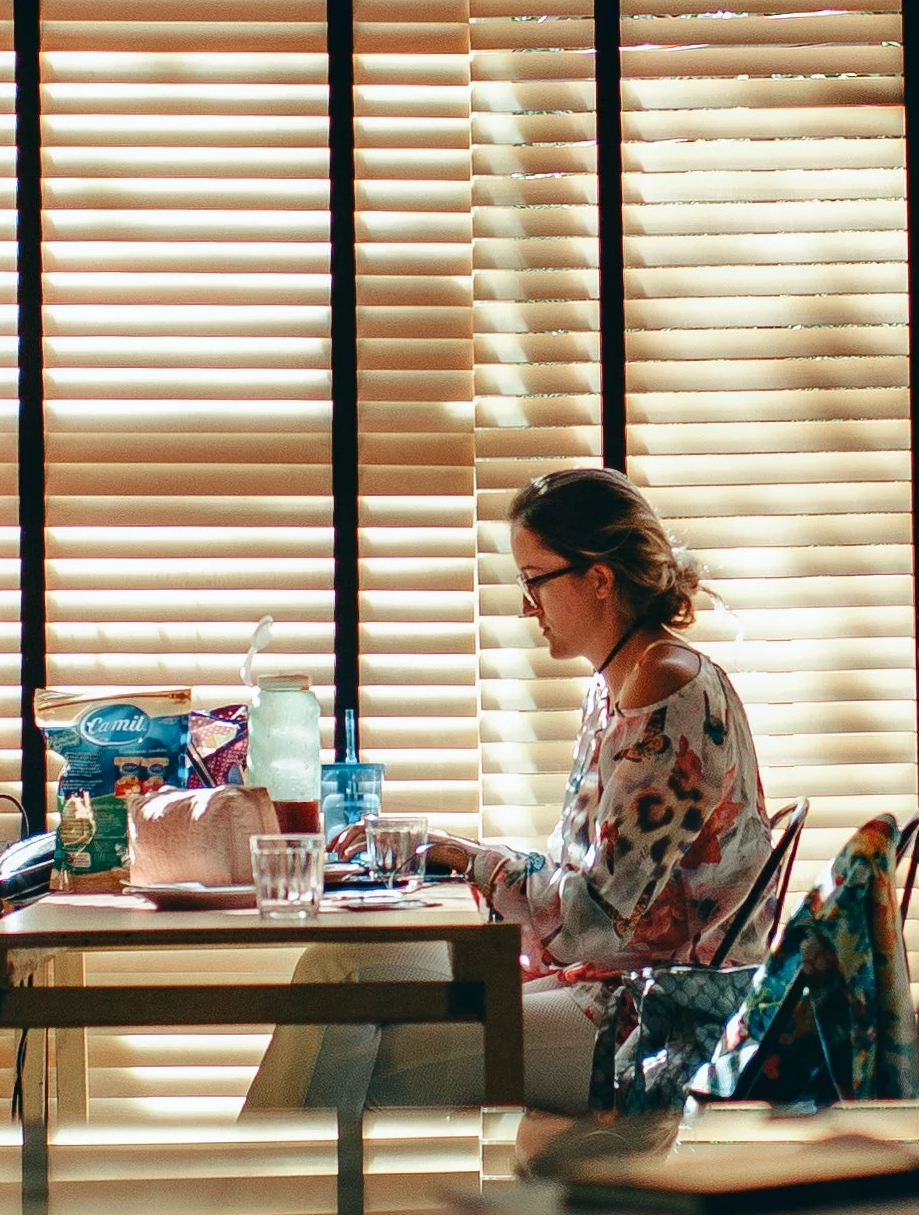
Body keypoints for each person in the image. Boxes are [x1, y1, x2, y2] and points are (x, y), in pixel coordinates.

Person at [252, 465, 775, 1120]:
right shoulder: (614, 688)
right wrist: (458, 849)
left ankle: (247, 1203)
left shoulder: (667, 690)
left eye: (535, 581)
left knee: (372, 1057)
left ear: (599, 578)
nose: (527, 606)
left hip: (654, 1021)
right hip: (601, 983)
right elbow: (581, 879)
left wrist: (470, 857)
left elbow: (596, 921)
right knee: (340, 969)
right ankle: (247, 1197)